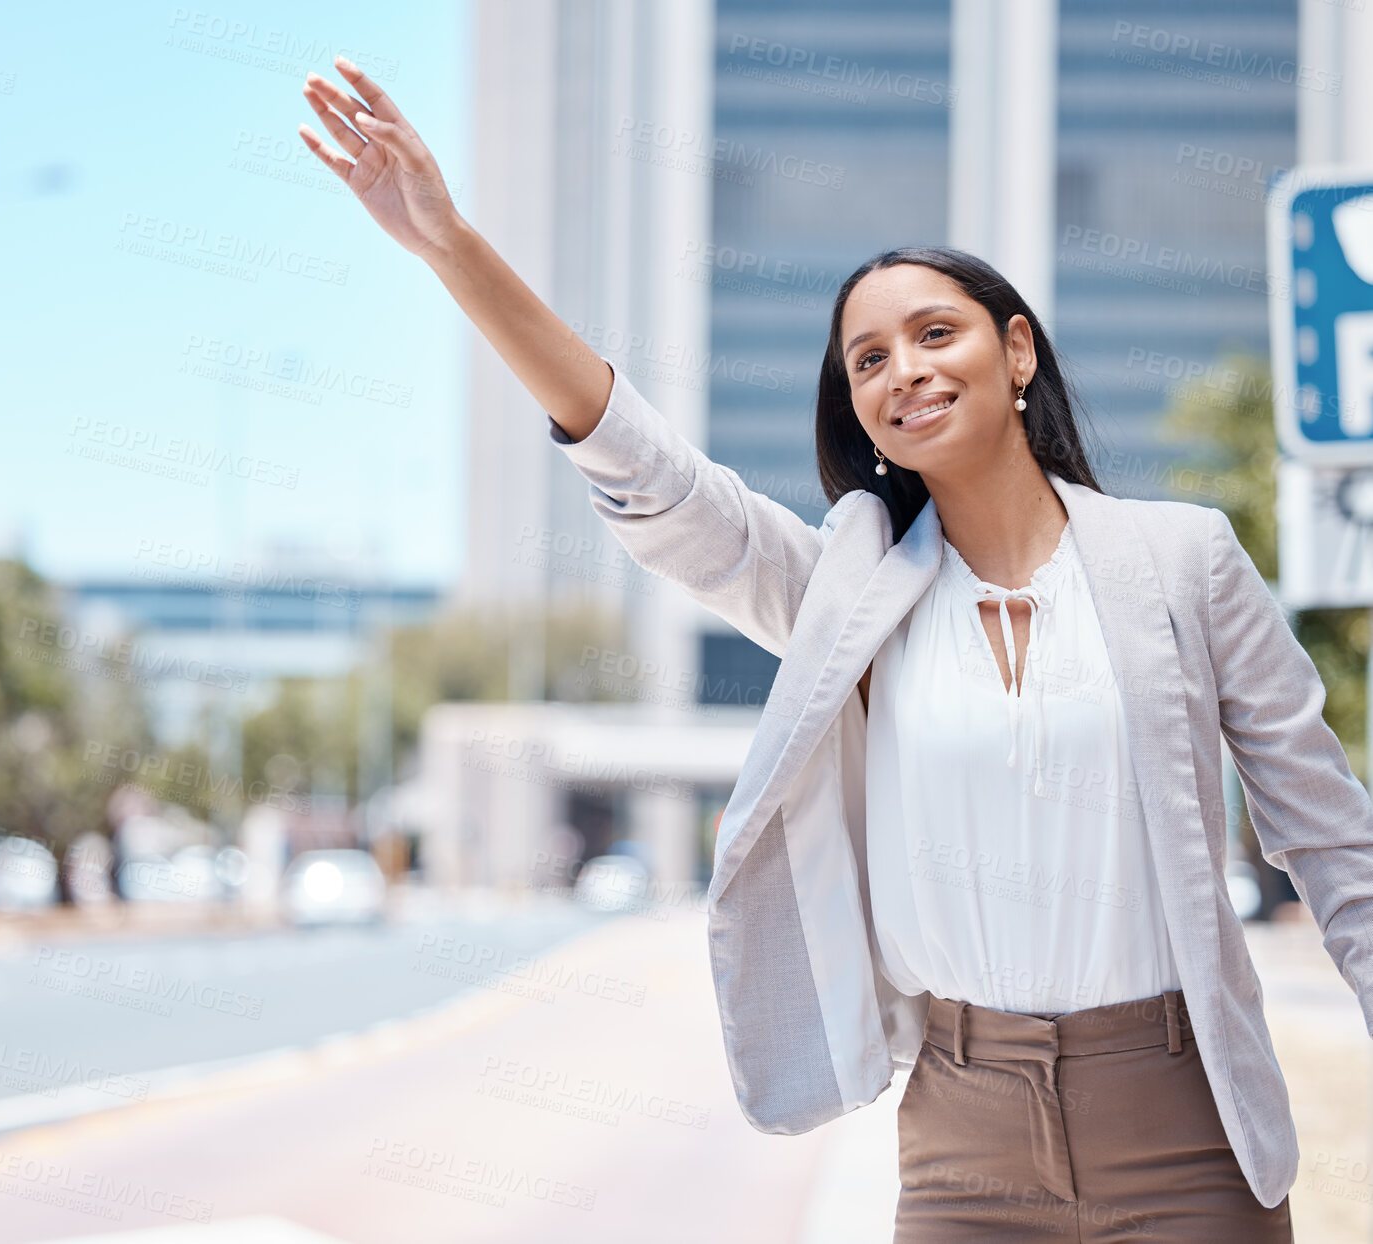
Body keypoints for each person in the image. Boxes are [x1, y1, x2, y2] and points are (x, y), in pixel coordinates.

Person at [298, 55, 1373, 1240]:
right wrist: (449, 244)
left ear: (1017, 352)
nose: (902, 368)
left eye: (933, 332)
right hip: (965, 1145)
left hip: (1184, 1128)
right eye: (868, 359)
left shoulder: (1183, 560)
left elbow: (1330, 833)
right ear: (857, 409)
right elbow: (652, 478)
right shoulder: (847, 598)